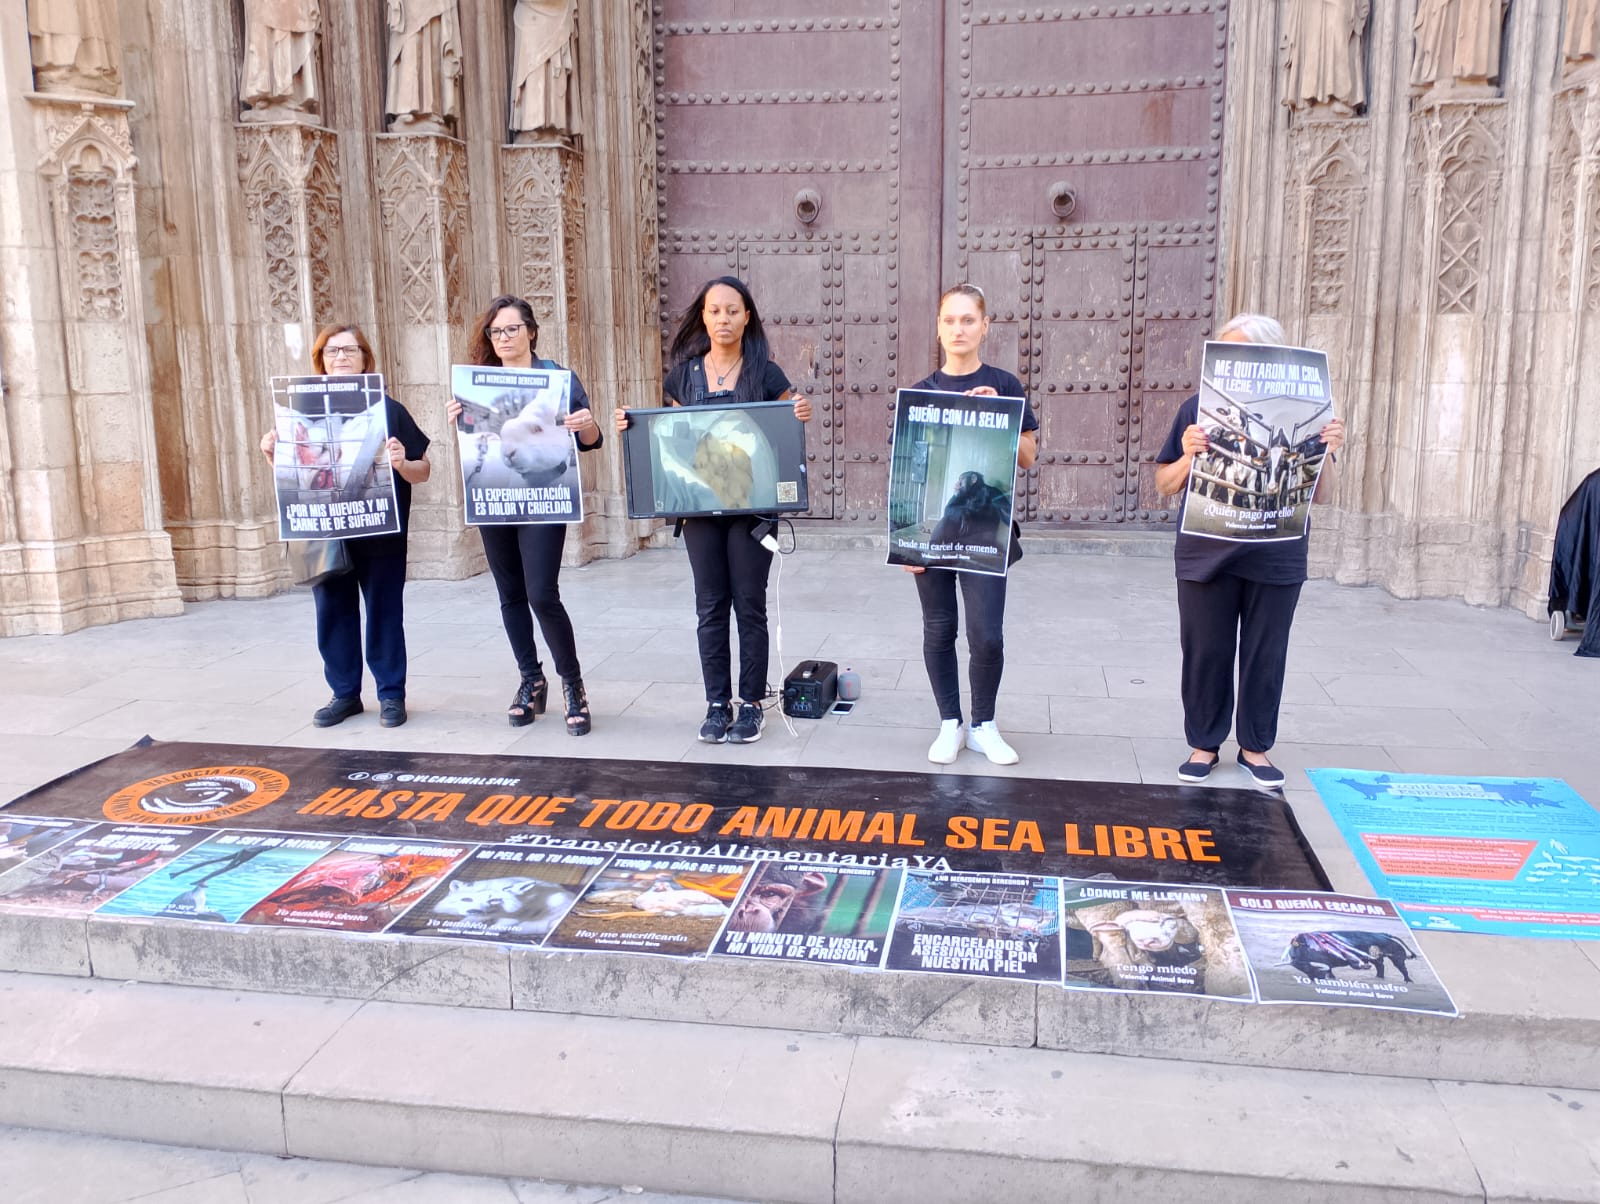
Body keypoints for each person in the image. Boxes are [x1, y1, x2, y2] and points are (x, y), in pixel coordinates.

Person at [615, 276, 812, 745]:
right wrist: (630, 425)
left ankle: (750, 706)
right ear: (703, 317)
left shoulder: (765, 372)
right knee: (709, 608)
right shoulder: (682, 376)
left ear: (747, 317)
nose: (723, 319)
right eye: (714, 310)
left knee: (749, 605)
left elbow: (785, 426)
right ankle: (716, 704)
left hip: (752, 511)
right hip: (700, 510)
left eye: (733, 310)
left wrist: (798, 410)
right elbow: (667, 435)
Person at [1153, 313, 1347, 788]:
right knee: (1205, 650)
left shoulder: (1310, 413)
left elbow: (1324, 494)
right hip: (1206, 552)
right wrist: (1187, 456)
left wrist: (1328, 450)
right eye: (1225, 353)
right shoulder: (1196, 409)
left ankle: (1255, 747)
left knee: (1266, 652)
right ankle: (1204, 743)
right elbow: (1163, 484)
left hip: (1275, 553)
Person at [259, 324, 432, 728]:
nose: (341, 358)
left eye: (350, 351)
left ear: (365, 360)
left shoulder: (388, 410)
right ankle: (344, 695)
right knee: (332, 612)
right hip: (325, 533)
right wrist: (272, 455)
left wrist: (402, 463)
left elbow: (423, 471)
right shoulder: (298, 412)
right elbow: (293, 478)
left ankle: (391, 695)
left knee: (385, 613)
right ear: (320, 361)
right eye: (333, 351)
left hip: (380, 534)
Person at [451, 295, 603, 734]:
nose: (504, 338)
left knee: (541, 592)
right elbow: (475, 445)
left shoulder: (557, 379)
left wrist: (585, 424)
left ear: (531, 332)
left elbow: (591, 441)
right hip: (496, 496)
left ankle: (572, 684)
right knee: (510, 594)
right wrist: (458, 420)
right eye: (496, 331)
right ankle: (530, 679)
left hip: (544, 499)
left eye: (512, 329)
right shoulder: (478, 383)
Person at [904, 284, 1039, 767]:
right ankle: (949, 723)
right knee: (938, 628)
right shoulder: (921, 393)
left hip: (987, 536)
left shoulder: (1004, 384)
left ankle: (983, 724)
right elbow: (911, 471)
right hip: (935, 537)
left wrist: (999, 411)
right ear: (938, 328)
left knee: (987, 634)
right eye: (949, 320)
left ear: (985, 326)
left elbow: (1027, 456)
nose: (957, 329)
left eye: (967, 320)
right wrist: (907, 544)